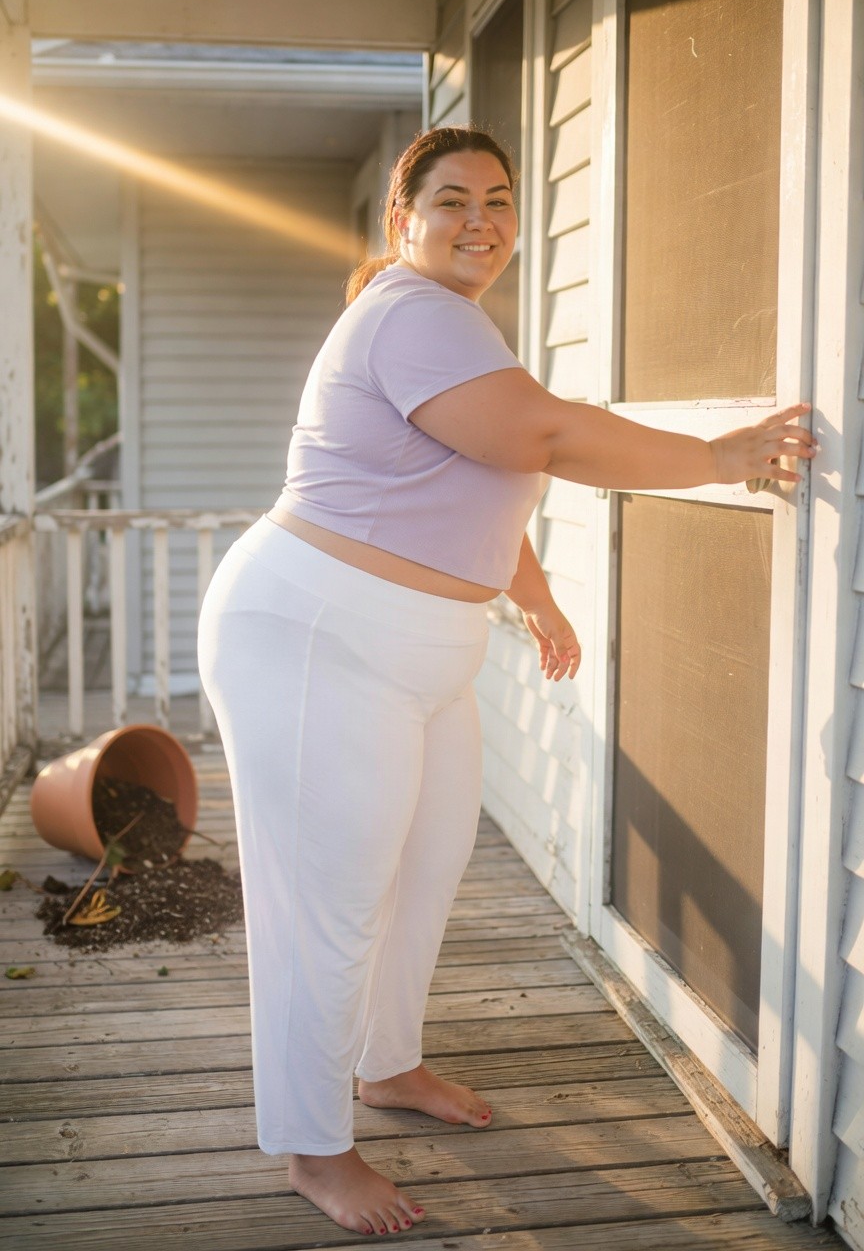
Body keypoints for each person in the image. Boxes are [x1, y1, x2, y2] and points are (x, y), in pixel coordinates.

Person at [197, 125, 815, 1238]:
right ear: (404, 222)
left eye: (498, 199)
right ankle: (313, 1146)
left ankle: (387, 1068)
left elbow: (482, 466)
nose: (478, 219)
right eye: (450, 200)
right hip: (314, 638)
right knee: (328, 906)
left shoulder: (456, 323)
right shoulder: (408, 312)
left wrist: (532, 593)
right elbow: (541, 434)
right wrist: (723, 458)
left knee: (426, 872)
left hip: (421, 649)